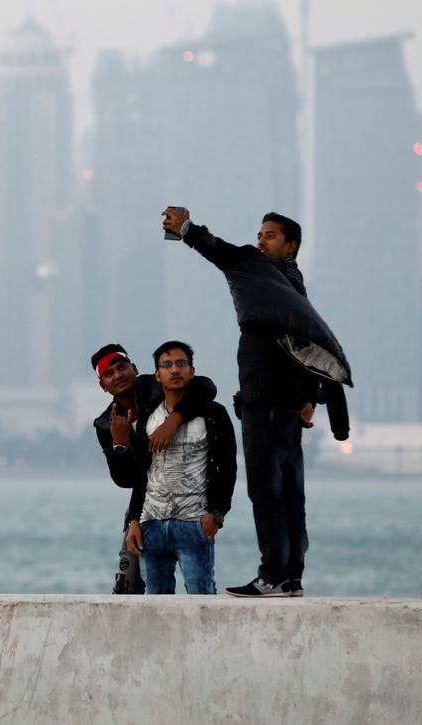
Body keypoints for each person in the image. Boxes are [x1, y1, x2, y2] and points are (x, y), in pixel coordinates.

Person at [162, 207, 351, 598]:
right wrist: (311, 398)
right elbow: (307, 347)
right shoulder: (291, 286)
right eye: (260, 234)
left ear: (290, 246)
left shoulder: (262, 274)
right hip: (282, 407)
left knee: (266, 492)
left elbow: (224, 254)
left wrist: (186, 229)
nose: (260, 241)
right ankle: (291, 577)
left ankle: (272, 577)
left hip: (264, 403)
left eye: (270, 236)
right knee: (289, 495)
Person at [91, 342, 219, 594]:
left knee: (199, 587)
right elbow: (125, 479)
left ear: (134, 368)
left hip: (188, 502)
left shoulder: (157, 386)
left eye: (122, 367)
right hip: (145, 505)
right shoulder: (105, 424)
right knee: (128, 582)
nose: (118, 375)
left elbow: (206, 386)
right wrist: (120, 444)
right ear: (102, 386)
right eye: (109, 373)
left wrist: (173, 420)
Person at [122, 341, 237, 595]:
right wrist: (133, 520)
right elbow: (142, 473)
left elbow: (227, 468)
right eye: (167, 365)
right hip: (151, 523)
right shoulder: (148, 417)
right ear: (157, 375)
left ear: (192, 371)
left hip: (194, 522)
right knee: (156, 606)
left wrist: (216, 515)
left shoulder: (214, 414)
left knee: (202, 600)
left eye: (181, 363)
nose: (174, 370)